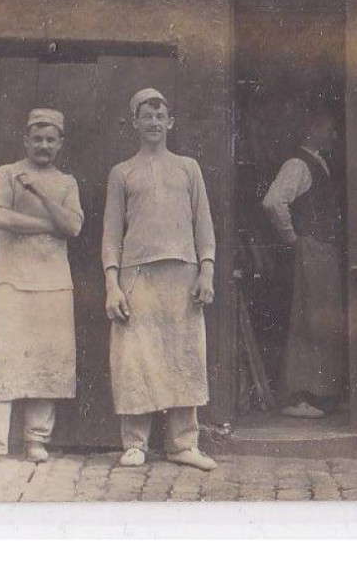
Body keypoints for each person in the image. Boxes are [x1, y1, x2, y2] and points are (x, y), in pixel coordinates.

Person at [102, 89, 217, 471]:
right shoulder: (122, 173)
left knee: (185, 356)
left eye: (159, 115)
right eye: (145, 116)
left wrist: (207, 271)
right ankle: (135, 443)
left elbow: (204, 224)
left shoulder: (188, 167)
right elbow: (110, 233)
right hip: (138, 276)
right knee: (136, 359)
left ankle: (183, 444)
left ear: (170, 122)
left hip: (182, 275)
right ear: (135, 123)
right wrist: (112, 284)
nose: (153, 122)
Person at [0, 109, 83, 465]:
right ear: (25, 140)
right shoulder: (8, 174)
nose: (43, 145)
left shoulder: (67, 183)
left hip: (54, 285)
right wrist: (51, 223)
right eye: (37, 138)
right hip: (12, 281)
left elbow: (74, 228)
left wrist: (43, 196)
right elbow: (1, 217)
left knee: (47, 361)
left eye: (50, 139)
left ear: (59, 143)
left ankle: (36, 440)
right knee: (4, 358)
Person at [262, 103, 345, 419]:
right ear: (311, 131)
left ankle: (321, 394)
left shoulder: (319, 163)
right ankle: (297, 397)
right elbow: (273, 202)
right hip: (312, 248)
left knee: (322, 318)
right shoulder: (298, 165)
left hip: (323, 249)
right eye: (328, 129)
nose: (333, 135)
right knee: (307, 318)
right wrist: (292, 237)